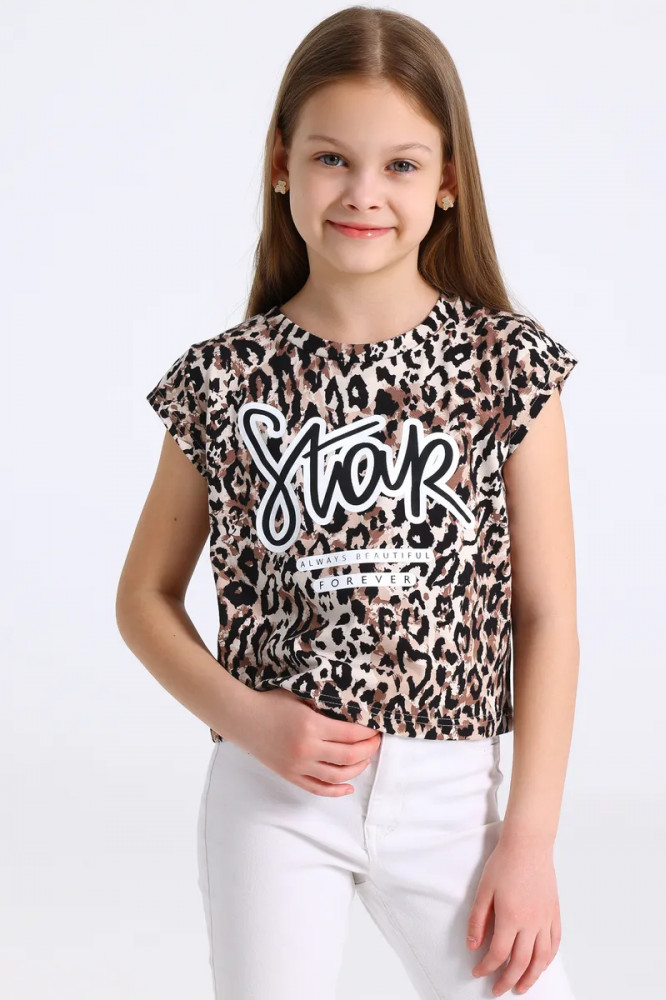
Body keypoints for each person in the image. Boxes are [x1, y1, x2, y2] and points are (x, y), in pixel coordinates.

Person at [116, 7, 581, 999]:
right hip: (274, 795)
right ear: (281, 163)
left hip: (456, 796)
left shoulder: (506, 366)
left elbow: (547, 616)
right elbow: (143, 599)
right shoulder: (222, 379)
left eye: (401, 165)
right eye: (332, 158)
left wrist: (530, 839)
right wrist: (251, 722)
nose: (364, 192)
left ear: (447, 180)